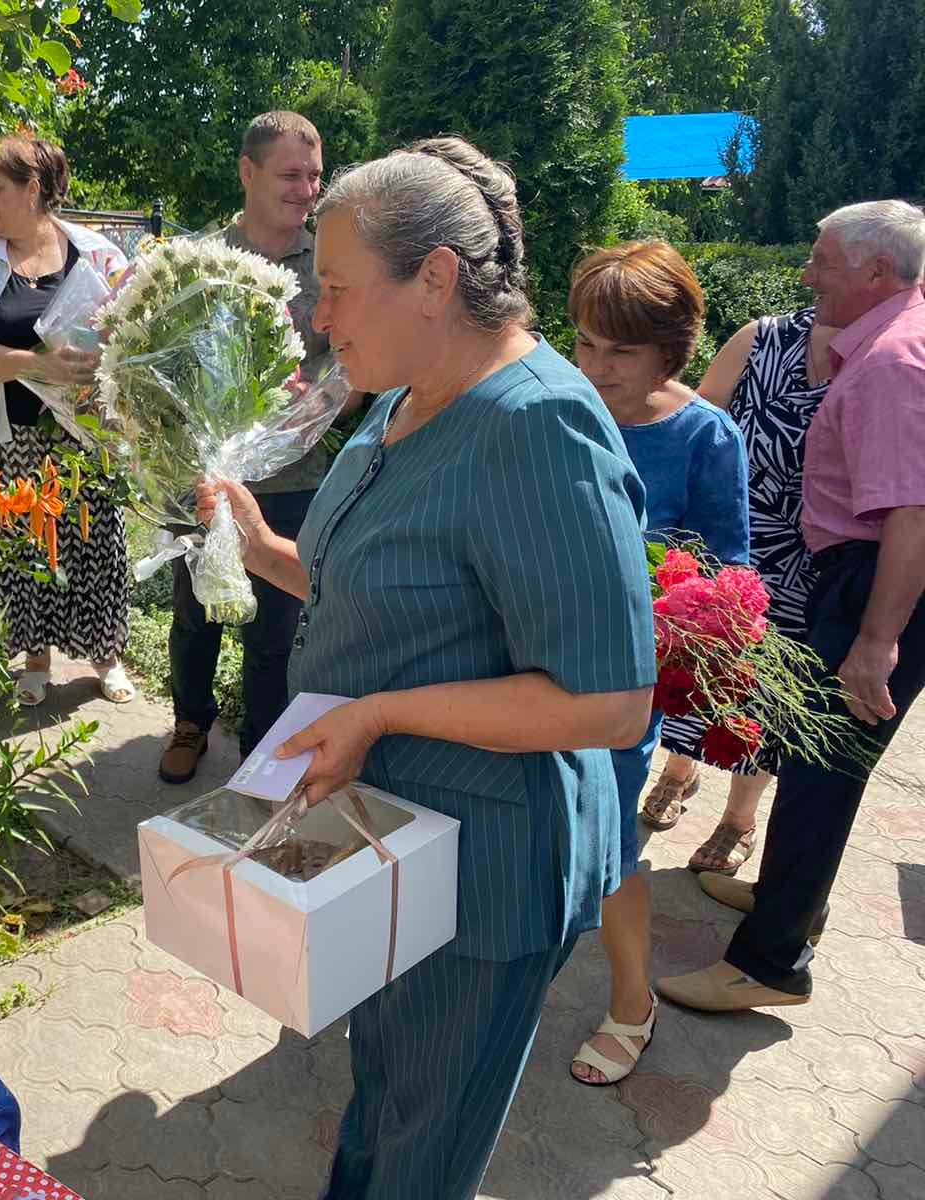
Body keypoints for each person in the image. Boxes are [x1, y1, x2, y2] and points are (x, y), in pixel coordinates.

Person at [197, 137, 654, 1200]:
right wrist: (264, 552)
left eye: (338, 288)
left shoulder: (536, 426)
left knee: (425, 1141)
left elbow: (608, 702)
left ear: (436, 279)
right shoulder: (402, 396)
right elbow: (397, 592)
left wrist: (378, 714)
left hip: (485, 869)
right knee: (387, 1091)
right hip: (393, 838)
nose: (319, 317)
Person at [658, 199, 925, 1013]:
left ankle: (770, 965)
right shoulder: (892, 335)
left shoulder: (891, 362)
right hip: (861, 574)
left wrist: (876, 640)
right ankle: (787, 902)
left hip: (875, 582)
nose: (808, 275)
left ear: (877, 271)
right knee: (814, 761)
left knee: (822, 776)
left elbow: (912, 515)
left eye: (824, 261)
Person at [565, 241, 749, 1087]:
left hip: (621, 683)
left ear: (670, 352)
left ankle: (631, 1003)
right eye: (585, 344)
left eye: (622, 352)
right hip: (529, 663)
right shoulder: (559, 405)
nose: (597, 367)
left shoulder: (704, 435)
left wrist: (661, 596)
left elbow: (725, 572)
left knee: (609, 843)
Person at [160, 111, 337, 783]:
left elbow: (349, 368)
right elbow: (165, 362)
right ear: (247, 172)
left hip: (294, 477)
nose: (306, 190)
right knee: (195, 613)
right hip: (202, 477)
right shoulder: (199, 264)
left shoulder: (329, 263)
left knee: (277, 629)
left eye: (314, 176)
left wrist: (314, 402)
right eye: (291, 175)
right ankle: (190, 722)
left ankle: (262, 755)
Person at [0, 135, 135, 707]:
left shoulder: (98, 255)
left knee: (96, 540)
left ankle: (107, 655)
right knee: (24, 544)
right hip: (15, 437)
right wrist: (37, 363)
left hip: (88, 434)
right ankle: (35, 656)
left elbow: (138, 335)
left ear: (33, 190)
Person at [643, 308, 835, 874]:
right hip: (724, 528)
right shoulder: (763, 337)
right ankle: (679, 771)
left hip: (804, 555)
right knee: (691, 664)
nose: (811, 270)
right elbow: (698, 416)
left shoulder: (885, 358)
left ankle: (739, 817)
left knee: (767, 689)